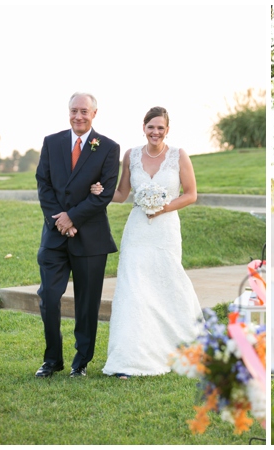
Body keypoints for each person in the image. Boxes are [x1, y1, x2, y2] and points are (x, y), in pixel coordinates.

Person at [90, 106, 203, 379]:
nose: (155, 132)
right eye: (151, 127)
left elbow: (191, 195)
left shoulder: (179, 156)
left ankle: (186, 348)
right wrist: (99, 192)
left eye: (160, 128)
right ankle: (129, 360)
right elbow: (122, 193)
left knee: (169, 283)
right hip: (138, 231)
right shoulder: (131, 155)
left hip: (164, 230)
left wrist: (164, 207)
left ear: (167, 130)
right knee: (133, 291)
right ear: (143, 127)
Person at [35, 92, 121, 378]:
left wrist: (73, 218)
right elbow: (43, 185)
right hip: (55, 236)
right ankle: (52, 360)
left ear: (94, 113)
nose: (78, 116)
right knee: (48, 295)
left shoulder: (108, 147)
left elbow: (105, 193)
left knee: (87, 303)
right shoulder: (52, 142)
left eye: (84, 111)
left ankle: (80, 363)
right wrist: (60, 220)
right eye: (74, 110)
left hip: (91, 238)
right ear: (68, 112)